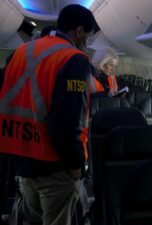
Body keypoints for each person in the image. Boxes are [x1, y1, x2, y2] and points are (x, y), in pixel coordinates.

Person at [0, 4, 95, 225]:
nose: (86, 43)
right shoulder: (74, 59)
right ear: (79, 31)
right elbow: (65, 122)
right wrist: (75, 166)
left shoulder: (20, 52)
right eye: (87, 37)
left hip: (22, 159)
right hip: (54, 165)